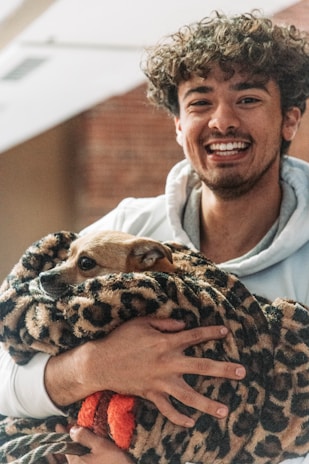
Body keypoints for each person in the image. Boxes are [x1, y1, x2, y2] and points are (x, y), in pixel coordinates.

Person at [1, 9, 309, 464]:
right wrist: (92, 366)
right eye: (200, 102)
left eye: (247, 99)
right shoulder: (123, 232)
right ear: (179, 126)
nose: (222, 121)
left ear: (289, 120)